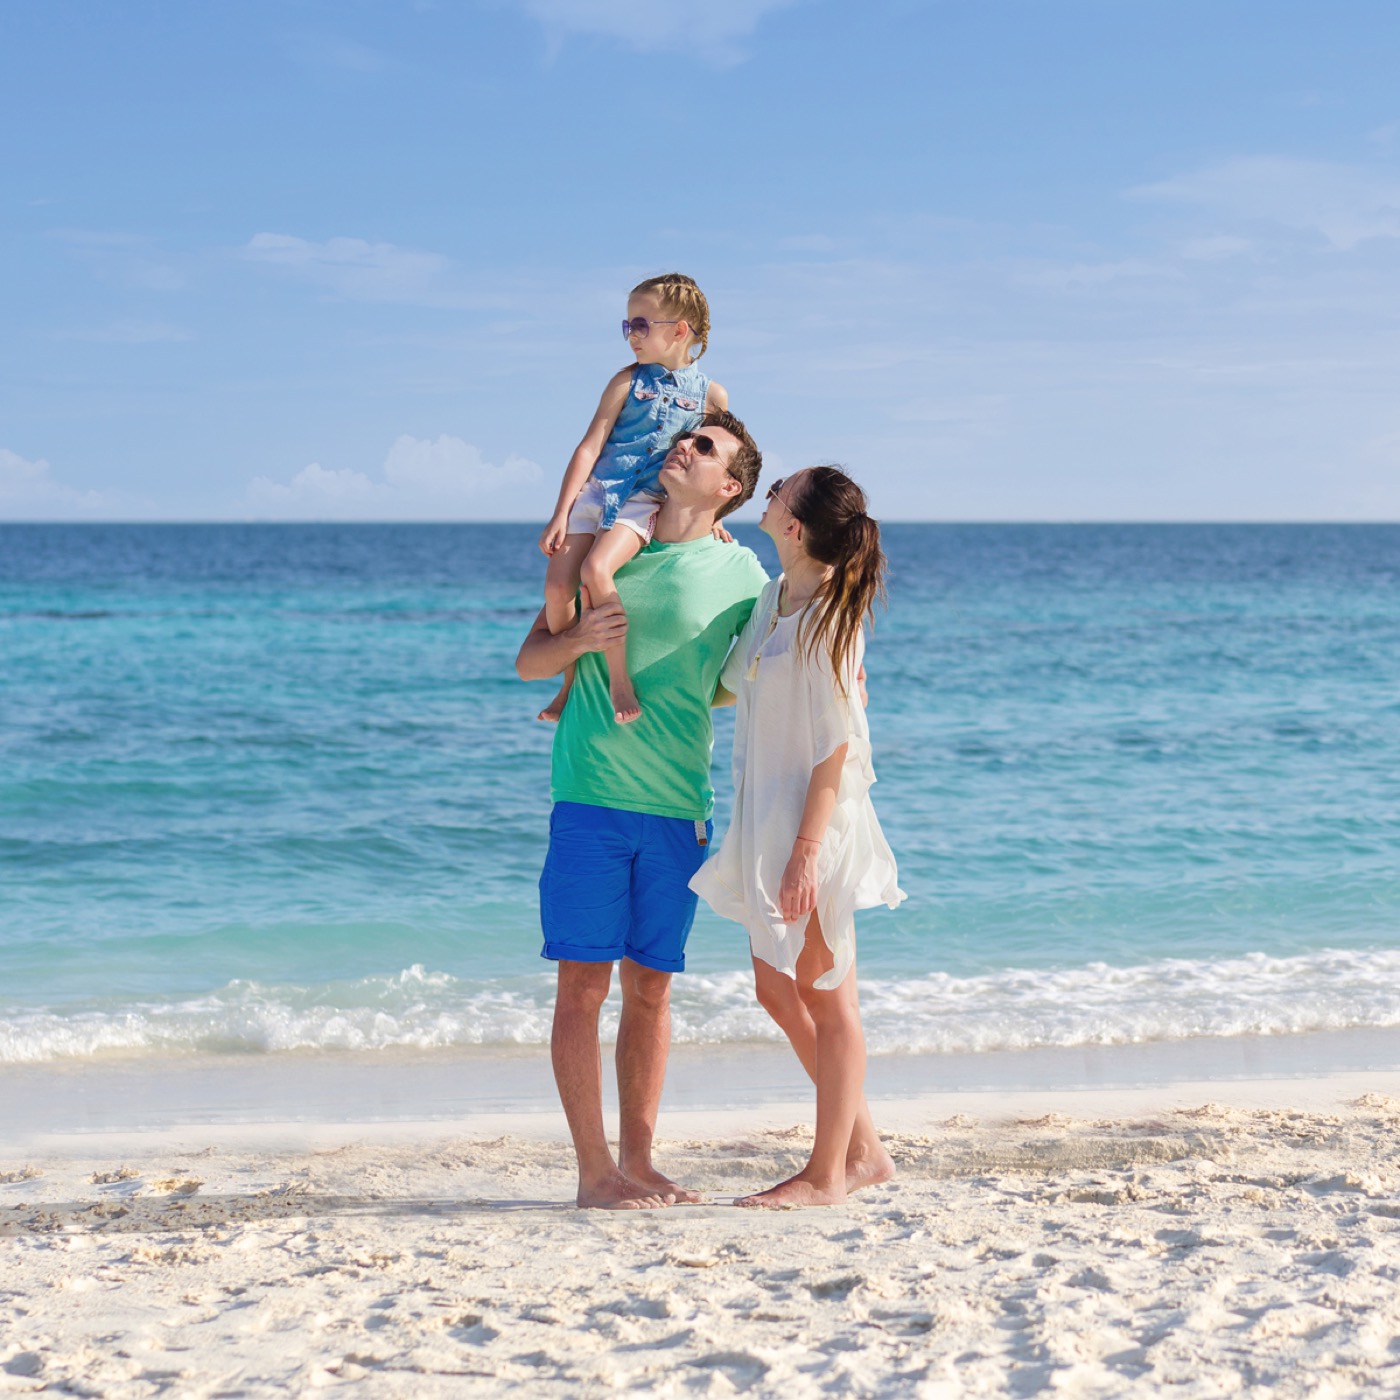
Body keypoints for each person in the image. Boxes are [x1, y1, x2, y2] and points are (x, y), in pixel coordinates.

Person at [515, 410, 766, 1209]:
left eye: (704, 446)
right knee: (582, 986)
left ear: (729, 489)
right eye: (683, 438)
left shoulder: (745, 576)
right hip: (590, 793)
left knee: (652, 987)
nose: (681, 446)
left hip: (678, 803)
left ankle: (642, 1161)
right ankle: (595, 1173)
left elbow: (760, 670)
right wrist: (581, 641)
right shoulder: (609, 545)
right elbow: (529, 662)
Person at [691, 466, 906, 1208]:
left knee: (825, 995)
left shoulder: (829, 621)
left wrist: (806, 853)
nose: (770, 487)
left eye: (779, 486)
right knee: (775, 989)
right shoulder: (770, 599)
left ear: (794, 525)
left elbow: (836, 749)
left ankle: (826, 1176)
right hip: (766, 819)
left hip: (816, 826)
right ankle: (866, 1151)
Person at [537, 273, 728, 726]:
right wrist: (561, 512)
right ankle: (569, 683)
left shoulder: (711, 397)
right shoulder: (625, 381)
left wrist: (714, 516)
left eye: (640, 325)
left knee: (594, 574)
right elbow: (590, 445)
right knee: (558, 591)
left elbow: (722, 464)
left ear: (679, 330)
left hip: (643, 500)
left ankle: (618, 680)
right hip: (597, 491)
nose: (631, 337)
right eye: (627, 327)